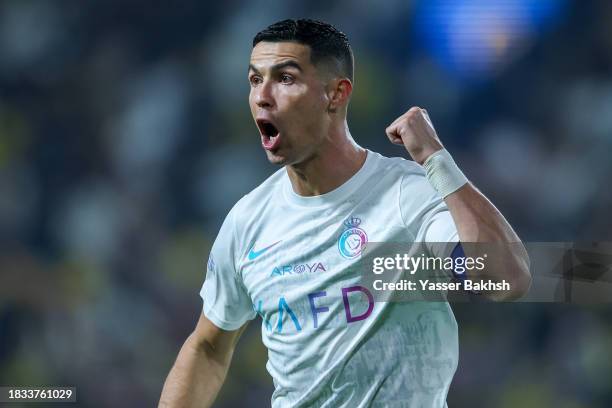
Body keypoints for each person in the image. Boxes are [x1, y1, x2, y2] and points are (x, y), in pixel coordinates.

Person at [159, 19, 531, 408]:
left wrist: (437, 160)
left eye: (285, 78)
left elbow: (506, 278)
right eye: (255, 80)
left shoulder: (405, 196)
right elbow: (208, 347)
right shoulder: (247, 220)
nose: (262, 96)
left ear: (336, 94)